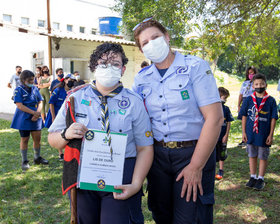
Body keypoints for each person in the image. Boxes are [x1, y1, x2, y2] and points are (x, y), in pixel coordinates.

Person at [48, 42, 154, 223]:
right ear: (93, 68)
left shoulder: (134, 102)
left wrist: (136, 184)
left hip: (121, 175)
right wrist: (66, 134)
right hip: (84, 174)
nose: (108, 68)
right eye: (103, 63)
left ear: (123, 69)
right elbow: (53, 139)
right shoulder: (75, 98)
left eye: (115, 64)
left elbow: (145, 148)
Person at [132, 18, 223, 224]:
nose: (151, 44)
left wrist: (196, 166)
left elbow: (215, 118)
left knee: (191, 218)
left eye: (155, 37)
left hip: (192, 153)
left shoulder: (195, 67)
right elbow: (130, 111)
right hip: (157, 157)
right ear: (141, 50)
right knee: (161, 214)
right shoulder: (142, 78)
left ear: (166, 37)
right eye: (144, 42)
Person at [240, 74, 278, 190]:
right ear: (252, 86)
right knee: (252, 155)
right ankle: (252, 177)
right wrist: (243, 132)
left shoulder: (271, 101)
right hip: (251, 133)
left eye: (261, 84)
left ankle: (260, 178)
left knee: (262, 156)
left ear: (266, 85)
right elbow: (244, 116)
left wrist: (271, 135)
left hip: (264, 134)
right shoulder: (248, 100)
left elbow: (273, 118)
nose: (259, 86)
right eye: (256, 84)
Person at [10, 70, 49, 170]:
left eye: (33, 80)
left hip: (35, 117)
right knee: (25, 139)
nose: (32, 82)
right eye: (30, 80)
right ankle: (25, 161)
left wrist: (37, 113)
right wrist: (34, 113)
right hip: (24, 118)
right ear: (23, 80)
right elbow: (19, 105)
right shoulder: (18, 90)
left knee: (37, 139)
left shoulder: (35, 89)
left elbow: (40, 101)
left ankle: (37, 158)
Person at [45, 74, 71, 161]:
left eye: (72, 80)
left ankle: (66, 152)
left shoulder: (72, 91)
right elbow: (51, 103)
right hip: (55, 113)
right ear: (64, 80)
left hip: (66, 115)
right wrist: (53, 117)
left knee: (66, 132)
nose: (70, 81)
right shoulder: (58, 90)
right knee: (57, 132)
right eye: (68, 79)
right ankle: (61, 153)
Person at [215, 87, 234, 180]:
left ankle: (221, 170)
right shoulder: (212, 108)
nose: (225, 100)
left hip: (222, 136)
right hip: (213, 136)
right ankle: (212, 170)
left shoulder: (226, 109)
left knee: (221, 153)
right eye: (224, 97)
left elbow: (229, 122)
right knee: (212, 153)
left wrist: (226, 135)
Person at [237, 66, 257, 147]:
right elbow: (241, 94)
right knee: (244, 121)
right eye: (249, 73)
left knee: (252, 120)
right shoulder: (245, 83)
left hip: (253, 102)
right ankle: (244, 138)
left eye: (252, 72)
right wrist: (238, 105)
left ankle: (252, 138)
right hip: (245, 101)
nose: (250, 74)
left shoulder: (257, 83)